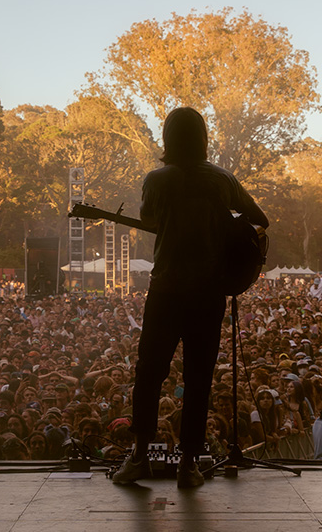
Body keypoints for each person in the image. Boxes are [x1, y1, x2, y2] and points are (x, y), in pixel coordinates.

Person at [112, 107, 269, 488]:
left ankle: (139, 457)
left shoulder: (157, 180)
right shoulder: (223, 179)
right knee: (199, 378)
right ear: (203, 137)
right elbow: (257, 218)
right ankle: (188, 466)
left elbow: (149, 220)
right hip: (208, 292)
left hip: (166, 290)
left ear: (167, 139)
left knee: (148, 375)